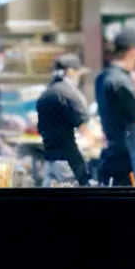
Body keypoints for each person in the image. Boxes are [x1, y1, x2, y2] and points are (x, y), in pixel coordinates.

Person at [96, 28, 135, 186]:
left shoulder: (103, 76)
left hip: (112, 155)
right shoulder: (121, 82)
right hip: (127, 163)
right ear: (133, 51)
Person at [35, 54, 92, 186]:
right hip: (67, 163)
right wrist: (97, 141)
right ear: (70, 72)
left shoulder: (46, 93)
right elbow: (83, 127)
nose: (78, 77)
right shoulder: (67, 93)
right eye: (78, 73)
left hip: (49, 161)